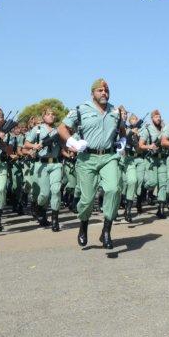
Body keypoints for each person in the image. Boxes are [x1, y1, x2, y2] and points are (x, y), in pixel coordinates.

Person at [59, 79, 127, 250]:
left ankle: (106, 230)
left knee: (113, 189)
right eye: (100, 90)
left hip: (109, 157)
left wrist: (123, 141)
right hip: (87, 158)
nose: (104, 93)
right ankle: (83, 224)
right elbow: (62, 128)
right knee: (87, 199)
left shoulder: (115, 111)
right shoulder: (81, 109)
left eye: (106, 90)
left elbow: (122, 130)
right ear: (92, 93)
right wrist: (73, 142)